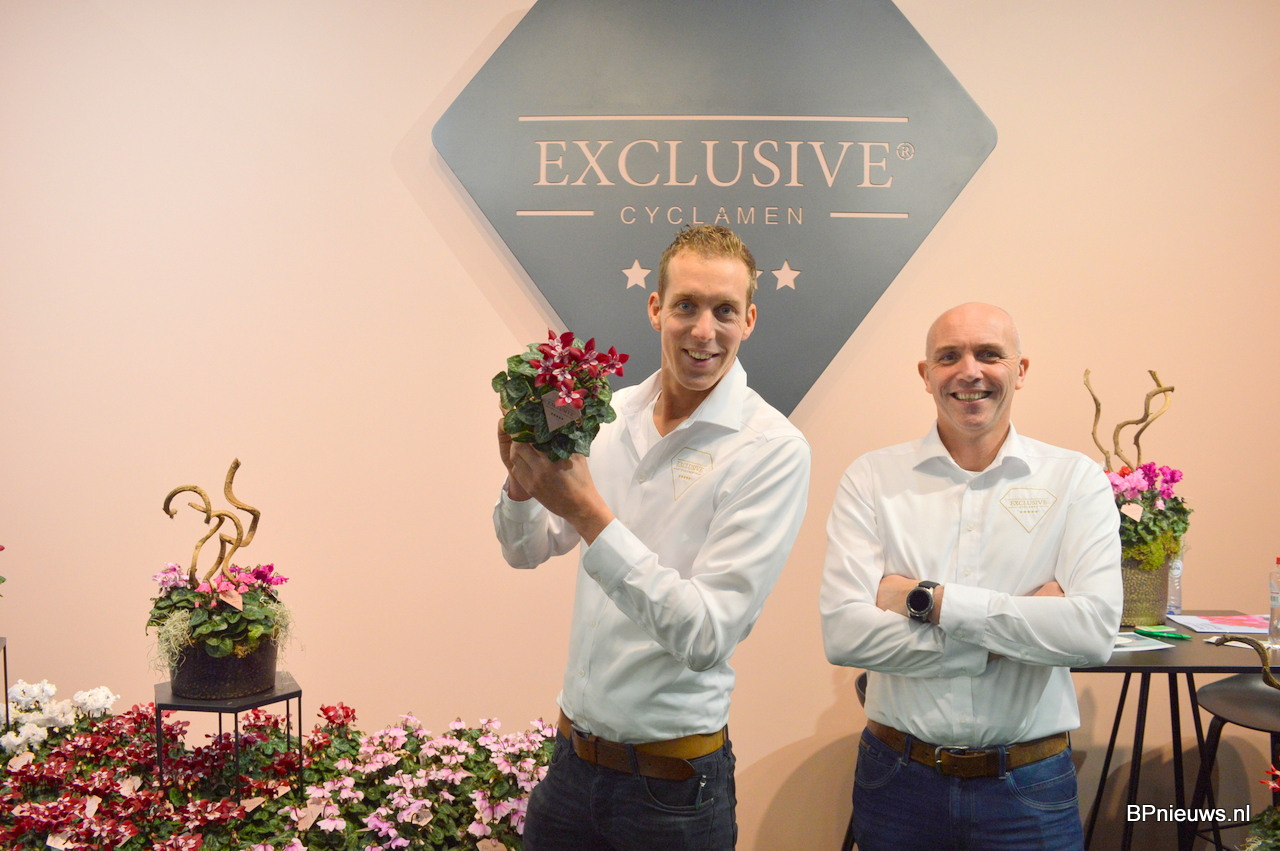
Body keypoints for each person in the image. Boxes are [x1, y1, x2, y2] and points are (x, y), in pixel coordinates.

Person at [494, 225, 811, 850]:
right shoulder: (609, 417)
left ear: (749, 320)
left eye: (725, 311)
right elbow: (522, 549)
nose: (704, 331)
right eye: (686, 305)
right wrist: (520, 481)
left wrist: (591, 516)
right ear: (655, 308)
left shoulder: (772, 449)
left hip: (673, 794)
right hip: (569, 767)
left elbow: (707, 635)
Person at [820, 302, 1121, 850]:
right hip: (897, 782)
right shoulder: (872, 480)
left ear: (1020, 370)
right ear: (925, 374)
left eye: (989, 354)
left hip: (1029, 788)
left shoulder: (1076, 481)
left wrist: (928, 601)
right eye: (948, 357)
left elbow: (1092, 634)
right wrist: (1018, 631)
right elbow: (844, 636)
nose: (969, 371)